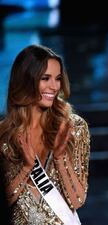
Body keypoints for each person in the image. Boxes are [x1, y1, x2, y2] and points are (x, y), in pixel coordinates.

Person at [0, 44, 90, 225]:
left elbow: (77, 201)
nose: (54, 86)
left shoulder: (73, 128)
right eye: (45, 78)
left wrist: (59, 159)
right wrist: (26, 168)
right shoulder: (4, 135)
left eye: (57, 79)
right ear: (26, 81)